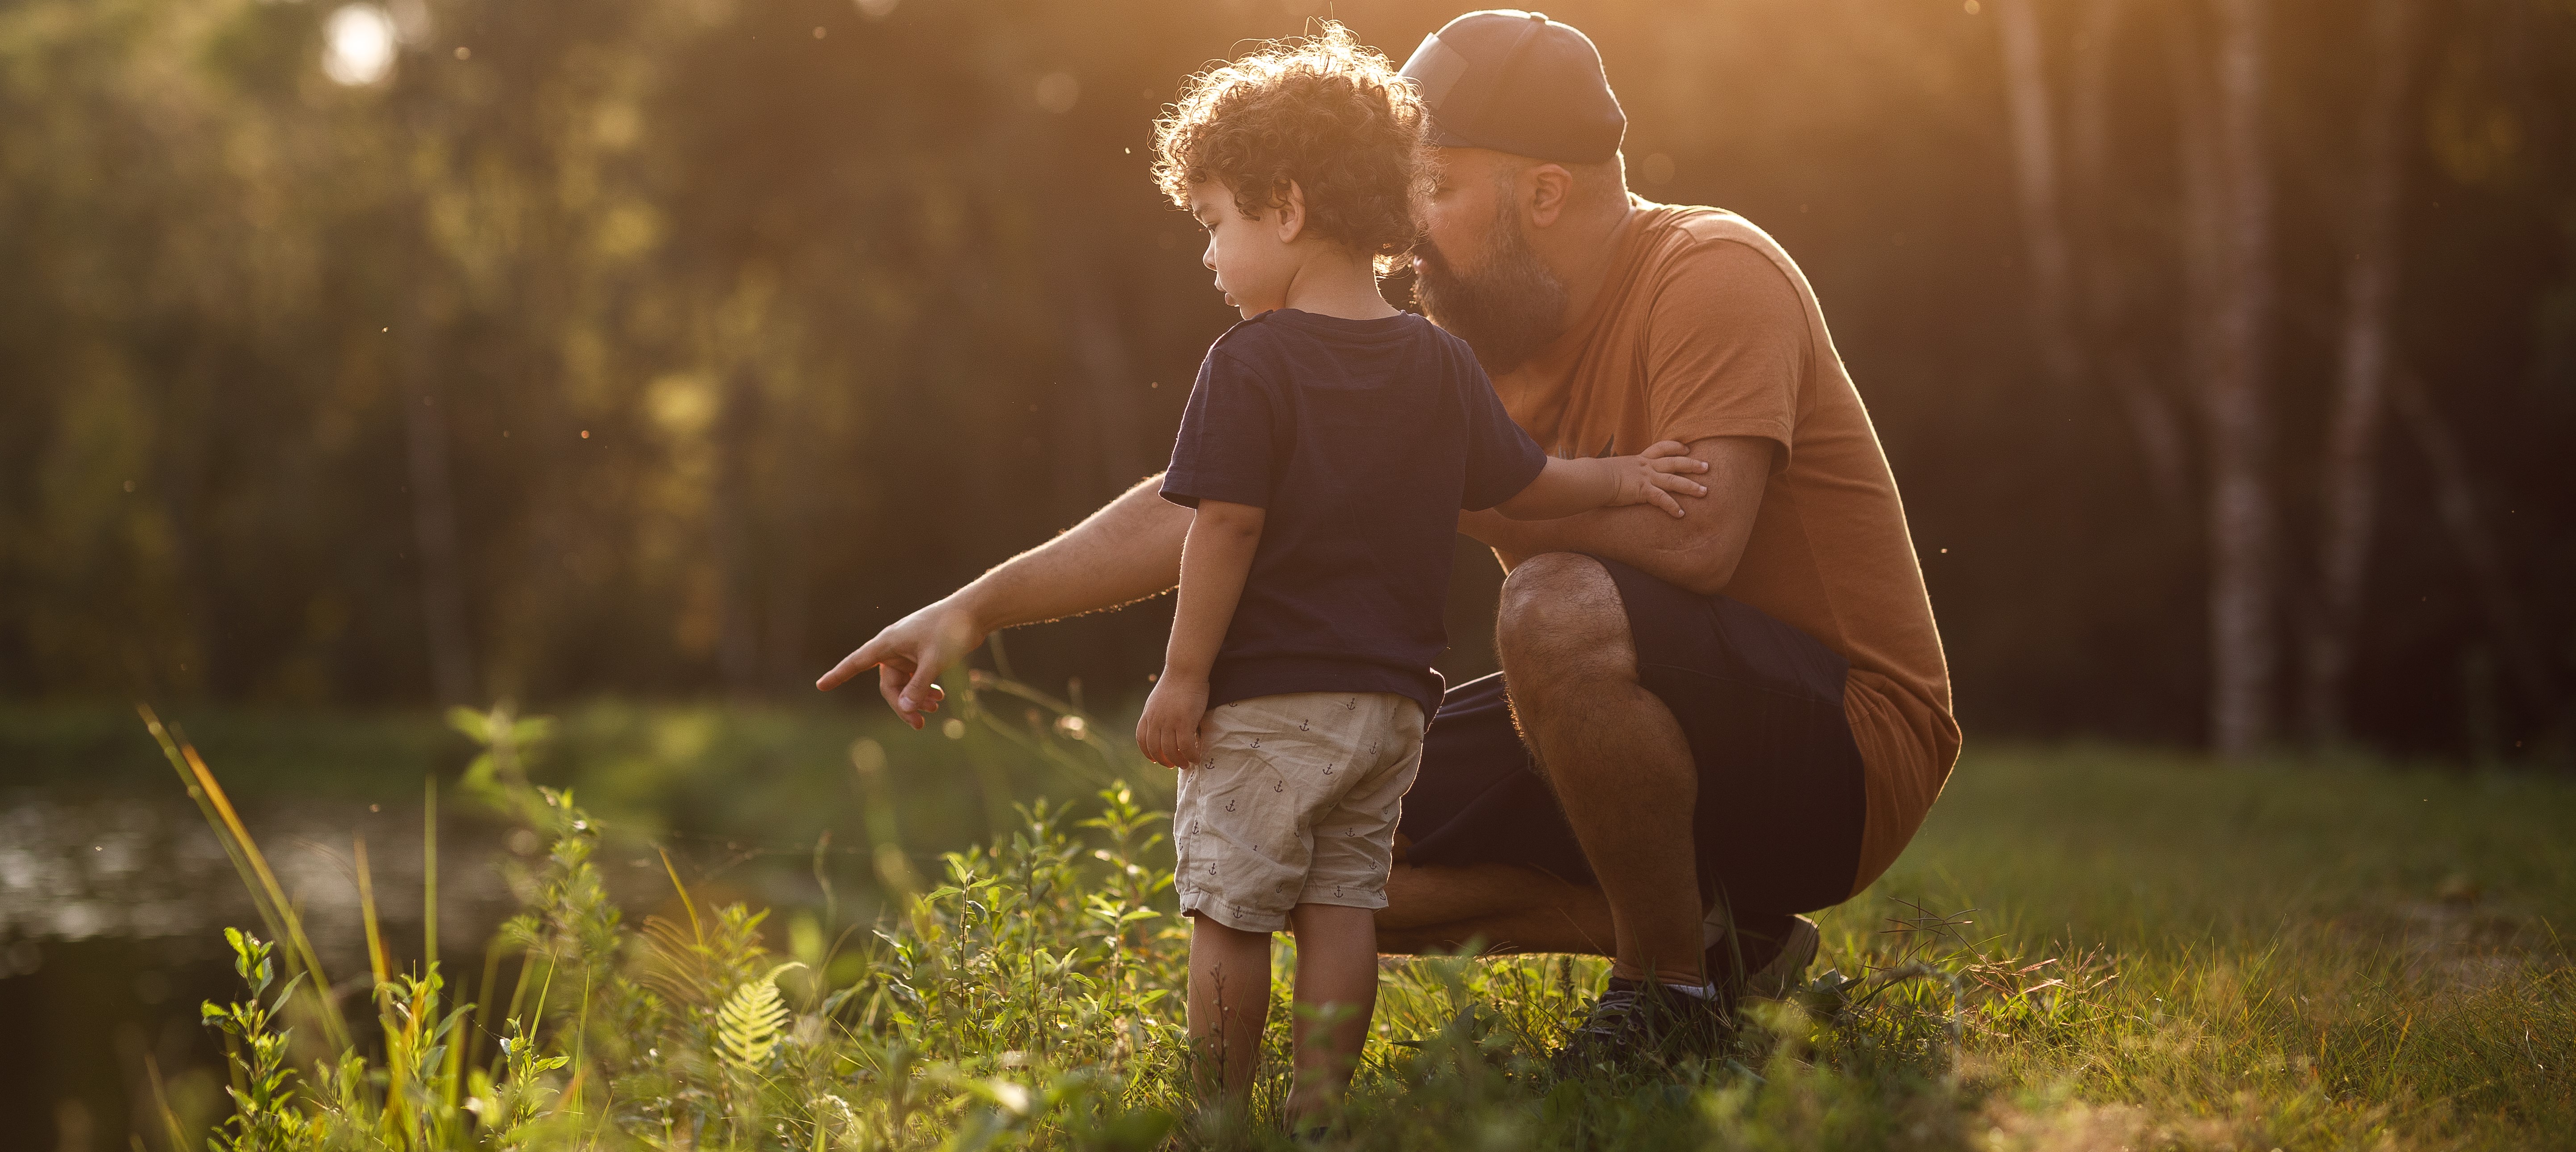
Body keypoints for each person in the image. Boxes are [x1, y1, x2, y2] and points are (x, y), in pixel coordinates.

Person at [819, 9, 1959, 1067]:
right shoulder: (1461, 342)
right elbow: (1210, 494)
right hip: (1621, 717)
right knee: (1316, 831)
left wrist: (1425, 491)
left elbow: (1704, 545)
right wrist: (974, 605)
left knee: (1551, 603)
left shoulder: (1712, 273)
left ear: (1545, 194)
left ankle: (1669, 998)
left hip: (1845, 753)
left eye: (1439, 189)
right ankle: (1727, 941)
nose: (1408, 227)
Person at [1128, 24, 1711, 1125]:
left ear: (1288, 208)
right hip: (1390, 709)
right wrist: (1629, 478)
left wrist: (1185, 675)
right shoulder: (1437, 360)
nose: (1210, 258)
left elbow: (1227, 528)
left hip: (1266, 700)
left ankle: (1215, 1116)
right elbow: (1531, 482)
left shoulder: (1248, 363)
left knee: (1233, 910)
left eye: (1215, 225)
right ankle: (1320, 1107)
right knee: (1343, 906)